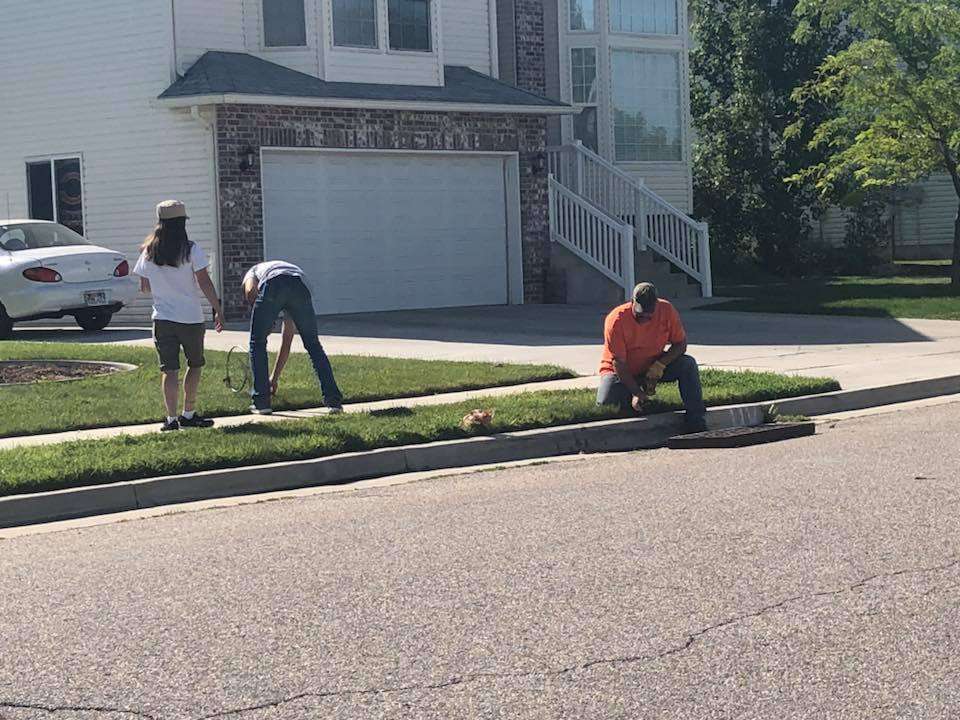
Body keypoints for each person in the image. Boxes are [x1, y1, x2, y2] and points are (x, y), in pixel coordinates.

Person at [134, 200, 223, 432]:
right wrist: (217, 308)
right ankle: (189, 414)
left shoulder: (148, 251)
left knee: (169, 370)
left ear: (160, 222)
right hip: (191, 318)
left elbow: (144, 288)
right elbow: (204, 281)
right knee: (195, 365)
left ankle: (171, 419)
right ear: (182, 222)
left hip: (162, 318)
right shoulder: (191, 249)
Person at [596, 282, 707, 433]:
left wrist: (660, 365)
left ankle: (696, 420)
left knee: (688, 364)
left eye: (649, 315)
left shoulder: (667, 310)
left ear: (656, 304)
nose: (645, 319)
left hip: (652, 364)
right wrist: (637, 392)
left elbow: (680, 344)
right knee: (606, 404)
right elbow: (619, 363)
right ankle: (633, 400)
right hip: (620, 371)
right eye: (640, 315)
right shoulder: (616, 320)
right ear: (632, 302)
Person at [242, 261, 343, 415]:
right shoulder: (283, 270)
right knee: (313, 345)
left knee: (257, 342)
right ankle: (334, 402)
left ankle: (261, 402)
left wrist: (263, 320)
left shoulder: (252, 271)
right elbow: (286, 341)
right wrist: (274, 378)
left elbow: (250, 291)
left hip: (273, 284)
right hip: (300, 286)